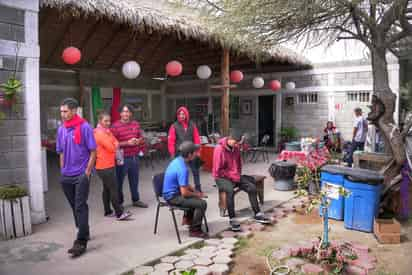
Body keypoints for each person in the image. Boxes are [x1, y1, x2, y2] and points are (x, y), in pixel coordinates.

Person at [56, 98, 96, 257]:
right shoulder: (61, 129)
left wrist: (87, 172)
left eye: (65, 111)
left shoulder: (85, 127)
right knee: (75, 206)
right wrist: (62, 171)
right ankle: (84, 230)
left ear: (73, 111)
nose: (63, 114)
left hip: (81, 174)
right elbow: (60, 152)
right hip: (66, 175)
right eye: (61, 112)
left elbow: (93, 151)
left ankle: (81, 241)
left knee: (80, 205)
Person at [212, 132, 270, 232]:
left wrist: (237, 175)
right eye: (235, 143)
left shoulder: (236, 147)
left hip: (234, 175)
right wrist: (232, 175)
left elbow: (238, 164)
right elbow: (217, 170)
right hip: (221, 177)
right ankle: (232, 219)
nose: (237, 145)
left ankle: (257, 213)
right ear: (229, 139)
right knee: (230, 191)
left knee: (251, 187)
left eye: (239, 143)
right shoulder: (219, 149)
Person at [163, 141, 208, 238]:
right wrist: (198, 195)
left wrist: (196, 191)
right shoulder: (183, 169)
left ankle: (188, 219)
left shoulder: (178, 160)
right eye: (195, 152)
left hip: (173, 192)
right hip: (172, 197)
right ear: (190, 155)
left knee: (196, 199)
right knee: (201, 203)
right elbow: (184, 193)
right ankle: (195, 231)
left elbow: (185, 184)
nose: (197, 154)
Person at [94, 112, 132, 221]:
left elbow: (116, 142)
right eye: (105, 121)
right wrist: (114, 144)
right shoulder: (99, 133)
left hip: (107, 165)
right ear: (100, 121)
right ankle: (119, 213)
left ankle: (108, 211)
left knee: (106, 189)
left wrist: (114, 144)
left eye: (109, 121)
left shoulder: (106, 131)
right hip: (105, 166)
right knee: (113, 189)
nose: (108, 123)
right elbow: (112, 147)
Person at [111, 104, 148, 208]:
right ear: (120, 113)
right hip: (121, 157)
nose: (125, 114)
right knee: (119, 181)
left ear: (131, 113)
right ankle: (120, 203)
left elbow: (141, 138)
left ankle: (136, 200)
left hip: (134, 157)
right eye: (123, 111)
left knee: (134, 180)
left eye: (127, 111)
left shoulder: (135, 124)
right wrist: (127, 143)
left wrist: (138, 140)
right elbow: (113, 143)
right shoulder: (115, 126)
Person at [168, 106, 202, 192]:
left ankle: (198, 188)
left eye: (183, 114)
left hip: (191, 151)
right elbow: (171, 141)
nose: (181, 116)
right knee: (181, 171)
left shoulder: (192, 125)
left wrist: (198, 151)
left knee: (195, 170)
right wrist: (172, 153)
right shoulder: (174, 126)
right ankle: (180, 189)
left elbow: (196, 138)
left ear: (187, 114)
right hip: (180, 153)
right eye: (180, 114)